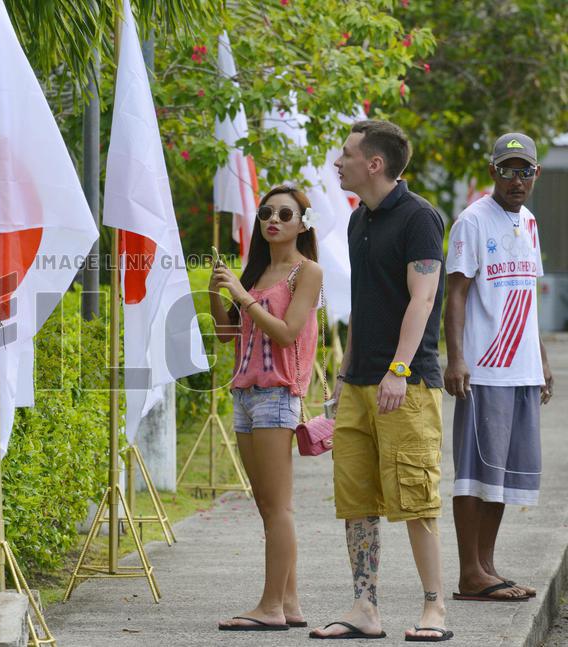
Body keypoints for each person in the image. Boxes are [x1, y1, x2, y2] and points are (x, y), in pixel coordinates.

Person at [310, 120, 453, 642]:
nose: (338, 162)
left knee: (416, 497)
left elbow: (423, 299)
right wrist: (346, 375)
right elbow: (365, 309)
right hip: (361, 384)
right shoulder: (357, 222)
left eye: (346, 154)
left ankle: (434, 608)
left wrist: (398, 369)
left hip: (407, 385)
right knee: (357, 501)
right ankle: (364, 608)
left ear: (374, 164)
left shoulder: (420, 218)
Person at [444, 133, 553, 602]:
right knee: (475, 472)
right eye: (507, 170)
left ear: (536, 174)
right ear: (492, 172)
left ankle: (487, 569)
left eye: (524, 170)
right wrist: (456, 358)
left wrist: (542, 360)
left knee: (504, 476)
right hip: (484, 370)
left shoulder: (528, 221)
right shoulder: (471, 221)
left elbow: (528, 298)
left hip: (522, 371)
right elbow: (456, 294)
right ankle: (470, 572)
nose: (516, 179)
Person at [209, 185, 323, 632]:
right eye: (266, 213)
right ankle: (289, 603)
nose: (273, 219)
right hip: (244, 395)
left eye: (284, 213)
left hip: (278, 395)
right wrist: (219, 293)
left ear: (301, 224)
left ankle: (271, 606)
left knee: (279, 508)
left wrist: (242, 295)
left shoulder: (306, 272)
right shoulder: (254, 272)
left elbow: (287, 332)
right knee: (265, 505)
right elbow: (226, 336)